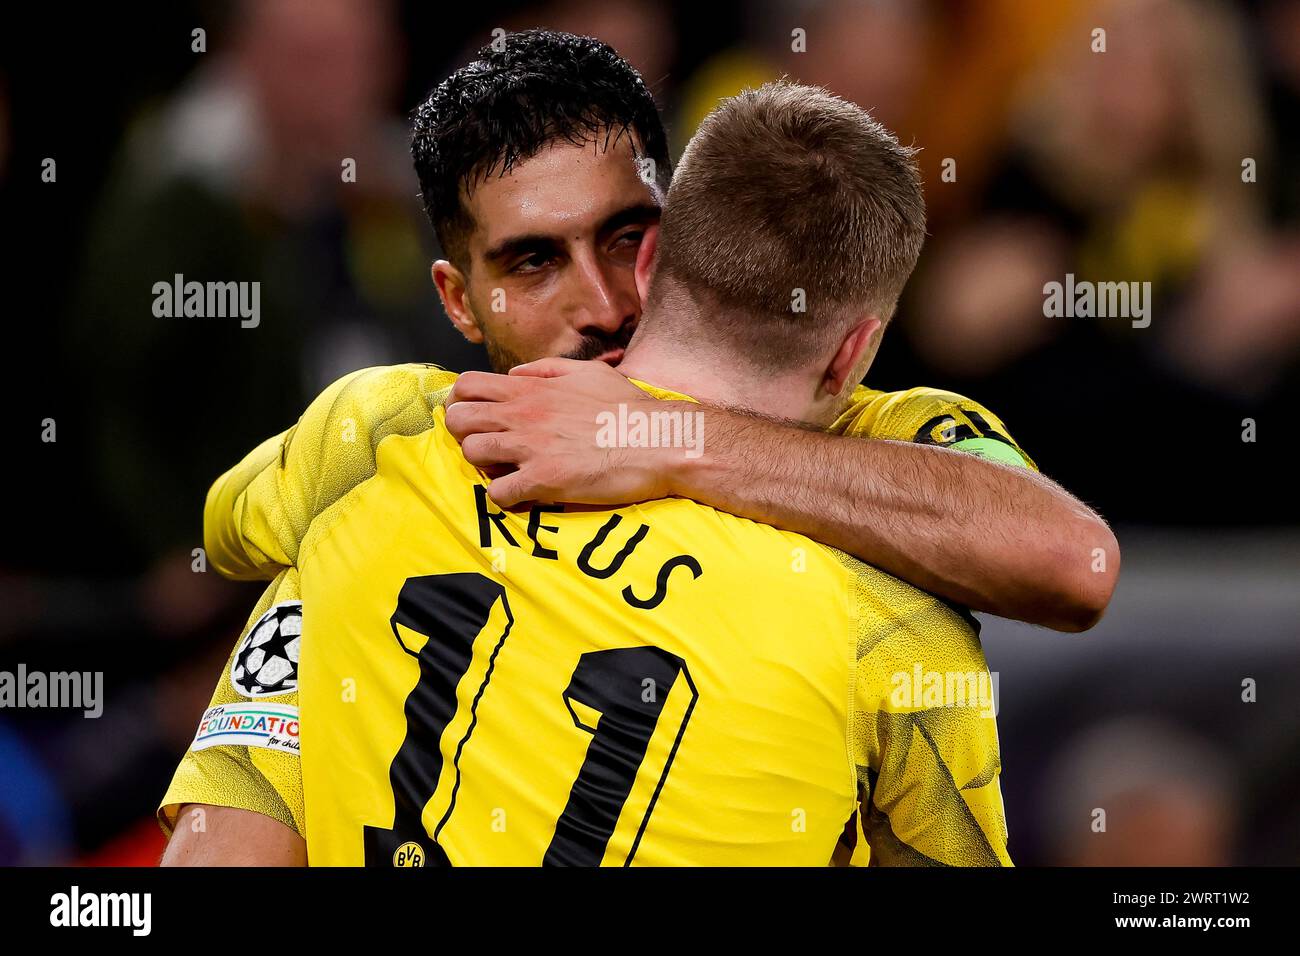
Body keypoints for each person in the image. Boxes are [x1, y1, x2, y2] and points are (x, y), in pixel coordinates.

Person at [159, 30, 1111, 864]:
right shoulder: (389, 438)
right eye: (534, 261)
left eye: (624, 237)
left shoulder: (886, 440)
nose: (604, 304)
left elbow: (1073, 561)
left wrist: (663, 437)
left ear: (673, 237)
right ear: (457, 300)